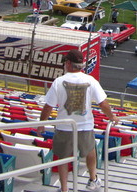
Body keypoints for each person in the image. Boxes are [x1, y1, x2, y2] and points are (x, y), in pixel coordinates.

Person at [38, 49, 118, 192]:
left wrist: (41, 125)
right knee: (90, 151)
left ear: (68, 63)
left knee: (63, 157)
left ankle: (64, 189)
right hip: (85, 125)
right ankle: (93, 179)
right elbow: (103, 103)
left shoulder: (59, 81)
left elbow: (48, 106)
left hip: (64, 126)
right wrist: (111, 117)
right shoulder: (90, 80)